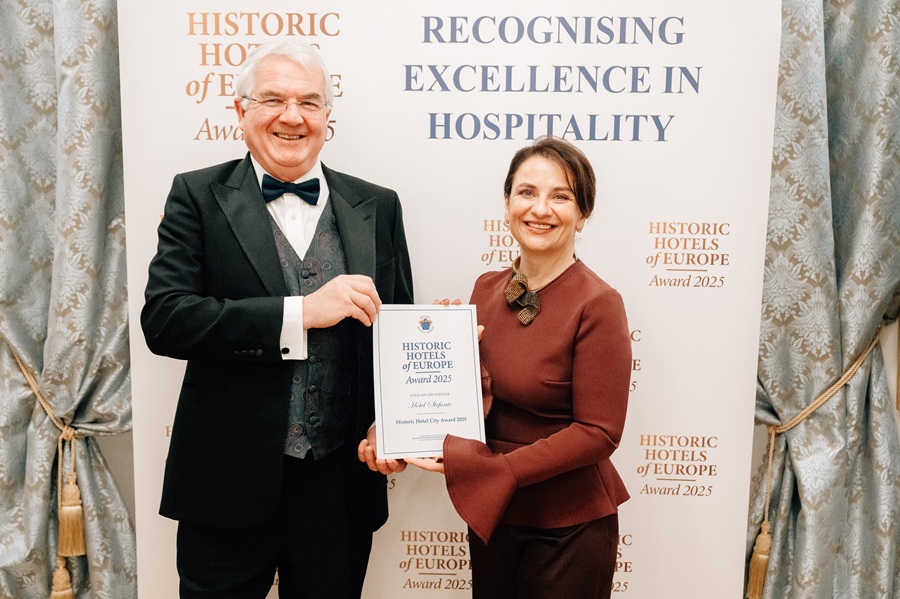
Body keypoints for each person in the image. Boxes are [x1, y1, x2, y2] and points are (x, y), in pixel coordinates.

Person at [141, 39, 413, 599]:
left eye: (309, 102)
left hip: (339, 485)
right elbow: (166, 318)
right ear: (241, 111)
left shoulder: (378, 205)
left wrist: (395, 422)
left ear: (328, 116)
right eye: (273, 100)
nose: (293, 116)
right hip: (225, 484)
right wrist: (301, 314)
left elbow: (398, 331)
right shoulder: (196, 195)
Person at [362, 137, 631, 598]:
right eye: (527, 192)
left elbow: (599, 432)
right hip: (495, 516)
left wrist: (497, 470)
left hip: (568, 527)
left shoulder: (598, 303)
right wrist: (395, 433)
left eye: (560, 196)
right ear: (507, 204)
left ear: (583, 213)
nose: (540, 209)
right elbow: (468, 401)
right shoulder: (485, 290)